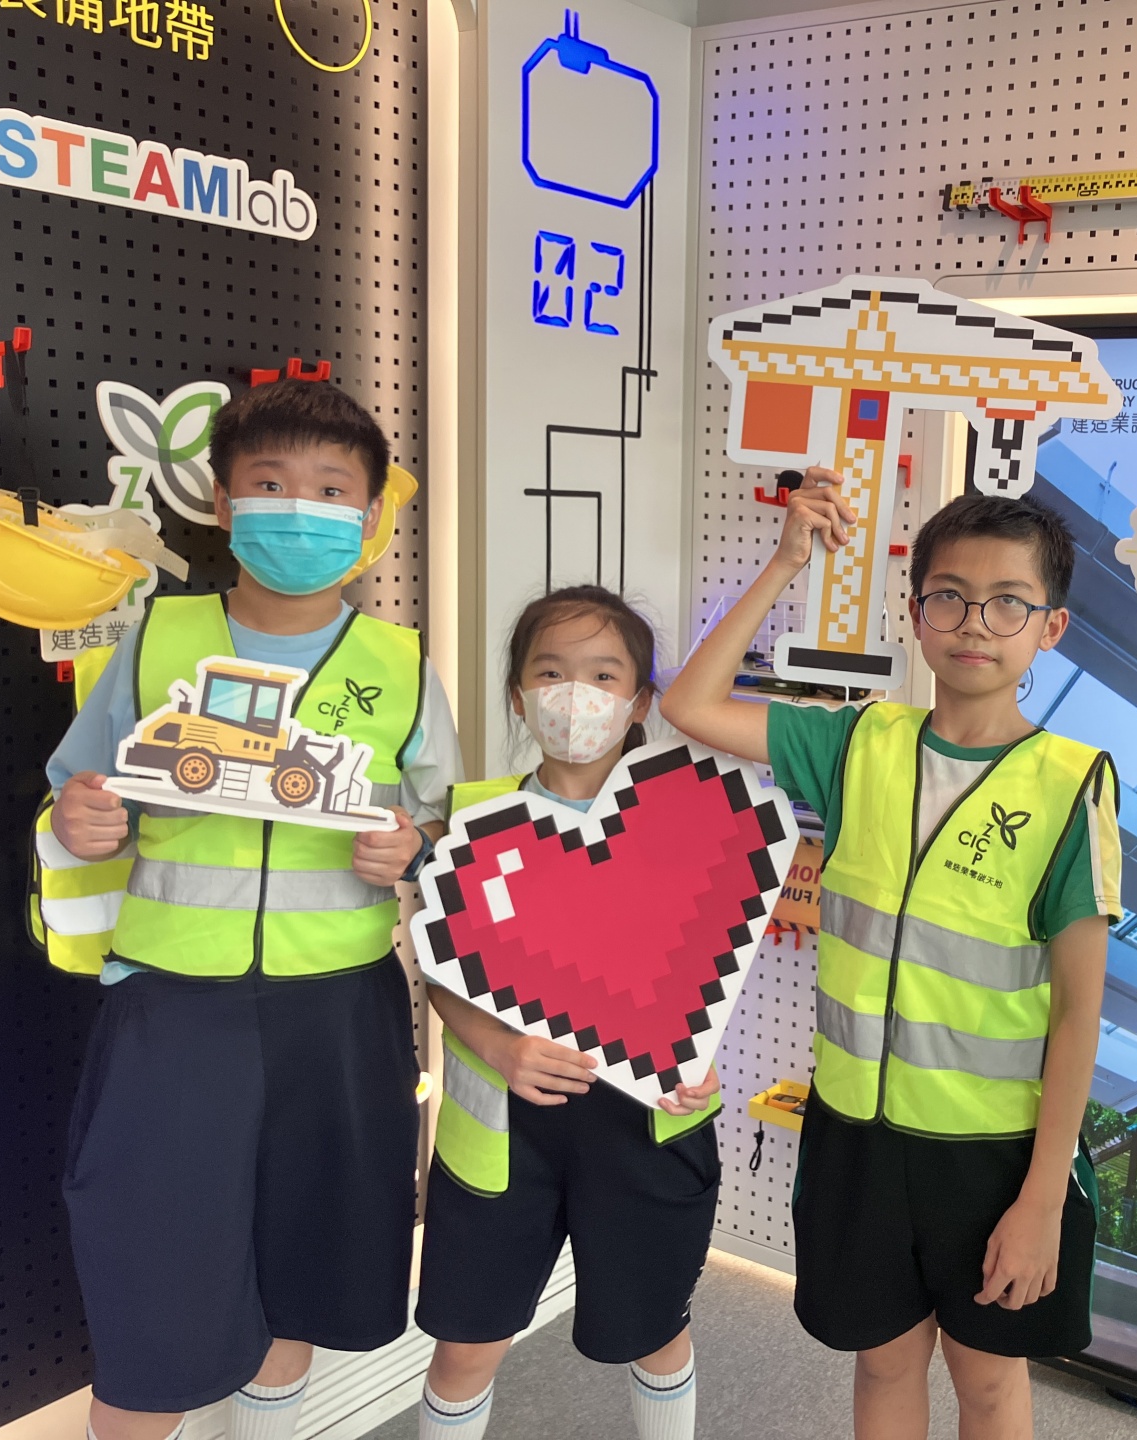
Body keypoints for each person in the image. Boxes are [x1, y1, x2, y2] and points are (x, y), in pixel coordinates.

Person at [662, 472, 1122, 1440]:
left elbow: (1081, 1011)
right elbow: (691, 704)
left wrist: (1043, 1197)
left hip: (991, 1156)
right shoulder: (859, 742)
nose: (975, 623)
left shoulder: (1071, 784)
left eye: (1009, 603)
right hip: (857, 1140)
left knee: (987, 1383)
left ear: (1051, 628)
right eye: (950, 596)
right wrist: (784, 563)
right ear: (915, 615)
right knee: (882, 1366)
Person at [45, 380, 463, 1440]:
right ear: (225, 504)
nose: (300, 509)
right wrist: (81, 821)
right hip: (173, 1004)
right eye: (271, 484)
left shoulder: (404, 664)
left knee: (304, 1270)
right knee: (153, 1290)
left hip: (343, 1008)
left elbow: (439, 824)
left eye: (331, 489)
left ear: (370, 516)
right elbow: (80, 796)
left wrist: (411, 847)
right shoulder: (155, 638)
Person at [413, 585, 722, 1440]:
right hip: (502, 1128)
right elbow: (441, 972)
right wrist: (498, 1047)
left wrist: (701, 1055)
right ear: (518, 695)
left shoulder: (689, 819)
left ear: (639, 702)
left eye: (602, 675)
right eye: (550, 672)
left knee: (654, 1333)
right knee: (465, 1347)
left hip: (649, 1119)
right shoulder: (472, 818)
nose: (574, 694)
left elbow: (709, 966)